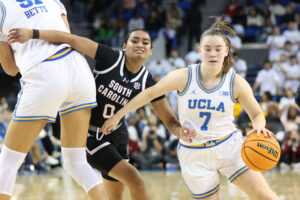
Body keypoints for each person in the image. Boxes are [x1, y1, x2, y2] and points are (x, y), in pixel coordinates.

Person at [102, 17, 280, 200]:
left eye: (218, 50)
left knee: (266, 197)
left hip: (229, 147)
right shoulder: (184, 76)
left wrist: (258, 126)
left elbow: (257, 113)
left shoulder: (235, 82)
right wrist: (118, 115)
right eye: (208, 49)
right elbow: (149, 93)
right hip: (194, 154)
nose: (212, 54)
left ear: (226, 51)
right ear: (200, 50)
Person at [8, 28, 195, 200]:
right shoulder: (111, 57)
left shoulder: (148, 82)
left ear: (151, 51)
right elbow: (70, 38)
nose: (140, 45)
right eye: (135, 41)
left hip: (117, 135)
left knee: (114, 197)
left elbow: (170, 122)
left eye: (145, 42)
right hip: (88, 134)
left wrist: (181, 133)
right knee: (135, 179)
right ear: (124, 46)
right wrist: (33, 33)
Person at [0, 1, 105, 200]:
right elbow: (70, 38)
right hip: (79, 69)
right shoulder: (54, 1)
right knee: (76, 161)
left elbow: (11, 69)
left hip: (45, 70)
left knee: (8, 162)